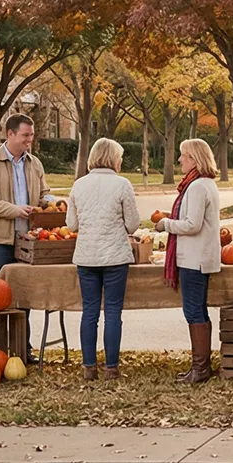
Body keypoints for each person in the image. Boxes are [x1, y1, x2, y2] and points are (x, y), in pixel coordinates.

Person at [68, 138, 144, 381]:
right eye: (119, 157)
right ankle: (111, 368)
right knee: (112, 312)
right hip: (115, 257)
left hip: (87, 256)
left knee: (89, 311)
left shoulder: (79, 185)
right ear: (113, 159)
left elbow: (71, 224)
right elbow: (133, 224)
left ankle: (88, 367)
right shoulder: (122, 185)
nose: (121, 162)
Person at [152, 138, 221, 384]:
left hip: (195, 258)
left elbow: (193, 225)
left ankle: (200, 369)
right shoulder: (201, 184)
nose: (179, 160)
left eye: (183, 155)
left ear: (193, 158)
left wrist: (165, 224)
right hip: (198, 256)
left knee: (194, 311)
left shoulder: (198, 187)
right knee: (198, 310)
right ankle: (201, 367)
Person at [0, 113, 54, 279]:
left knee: (24, 293)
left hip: (29, 240)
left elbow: (44, 194)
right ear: (10, 134)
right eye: (25, 135)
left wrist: (49, 203)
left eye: (31, 135)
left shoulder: (35, 164)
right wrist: (16, 210)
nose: (30, 139)